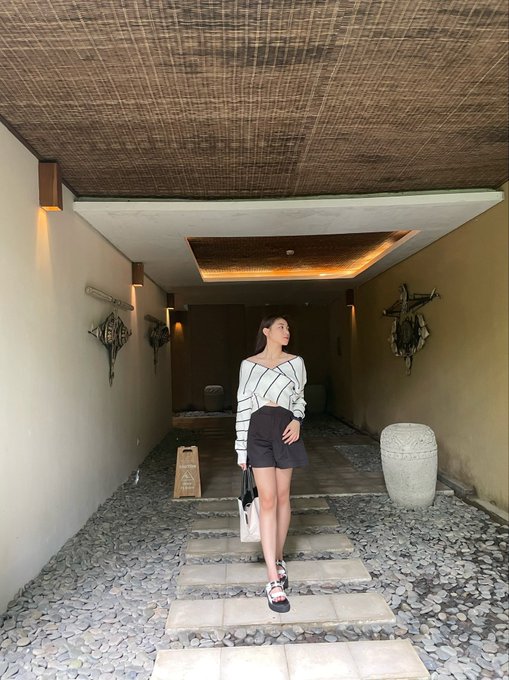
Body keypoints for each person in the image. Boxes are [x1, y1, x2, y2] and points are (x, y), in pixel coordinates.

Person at [235, 315, 308, 613]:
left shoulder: (296, 363)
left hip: (286, 428)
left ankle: (278, 559)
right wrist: (241, 450)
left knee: (282, 497)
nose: (287, 331)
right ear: (266, 331)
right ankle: (272, 580)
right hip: (258, 429)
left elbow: (300, 398)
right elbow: (242, 406)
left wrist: (298, 420)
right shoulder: (248, 365)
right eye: (281, 327)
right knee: (266, 500)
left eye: (288, 327)